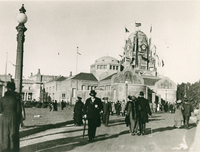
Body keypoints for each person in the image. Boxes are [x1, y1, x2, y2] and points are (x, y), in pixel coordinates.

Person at [0, 81, 22, 152]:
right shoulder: (16, 99)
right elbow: (19, 111)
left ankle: (4, 150)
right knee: (13, 135)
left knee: (4, 135)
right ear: (13, 89)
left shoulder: (2, 99)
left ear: (7, 89)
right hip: (14, 118)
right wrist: (19, 120)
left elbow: (0, 110)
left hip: (4, 118)